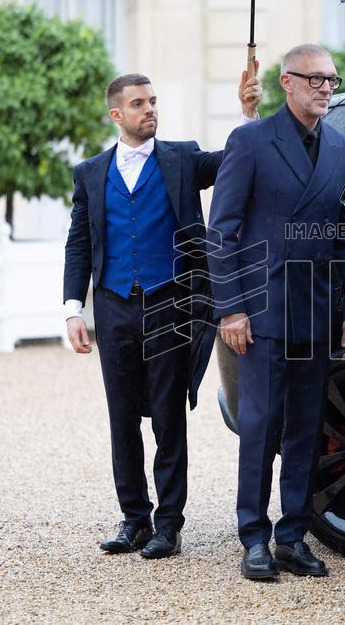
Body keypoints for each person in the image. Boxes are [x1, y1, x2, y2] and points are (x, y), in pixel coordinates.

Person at [63, 69, 262, 559]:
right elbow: (79, 244)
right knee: (122, 416)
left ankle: (168, 524)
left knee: (169, 416)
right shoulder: (90, 173)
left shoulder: (180, 158)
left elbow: (230, 163)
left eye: (153, 101)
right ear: (117, 114)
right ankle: (134, 517)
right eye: (138, 104)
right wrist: (73, 308)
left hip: (171, 301)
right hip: (112, 306)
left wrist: (247, 112)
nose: (150, 109)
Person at [208, 43, 345, 581]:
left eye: (332, 80)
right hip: (259, 312)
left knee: (306, 427)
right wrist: (231, 309)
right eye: (316, 79)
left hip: (317, 311)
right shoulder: (250, 141)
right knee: (260, 426)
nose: (326, 88)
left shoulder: (343, 148)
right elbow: (221, 233)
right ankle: (253, 536)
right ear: (287, 83)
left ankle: (292, 536)